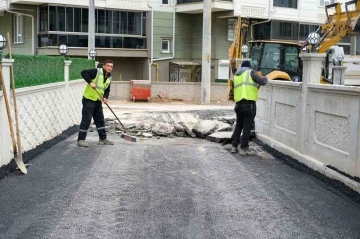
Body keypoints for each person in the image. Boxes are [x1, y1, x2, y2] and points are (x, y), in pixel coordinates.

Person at [230, 61, 268, 155]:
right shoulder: (250, 72)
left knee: (239, 125)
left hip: (238, 104)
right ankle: (244, 147)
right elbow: (262, 81)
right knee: (247, 126)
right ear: (249, 67)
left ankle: (234, 146)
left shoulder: (236, 76)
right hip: (249, 104)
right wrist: (266, 77)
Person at [77, 60, 115, 147]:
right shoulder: (96, 71)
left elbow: (107, 89)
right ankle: (81, 140)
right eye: (108, 66)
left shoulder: (109, 77)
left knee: (100, 120)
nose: (109, 68)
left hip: (98, 101)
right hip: (89, 99)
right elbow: (83, 72)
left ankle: (103, 139)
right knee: (86, 120)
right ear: (104, 66)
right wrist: (90, 82)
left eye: (111, 66)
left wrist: (105, 97)